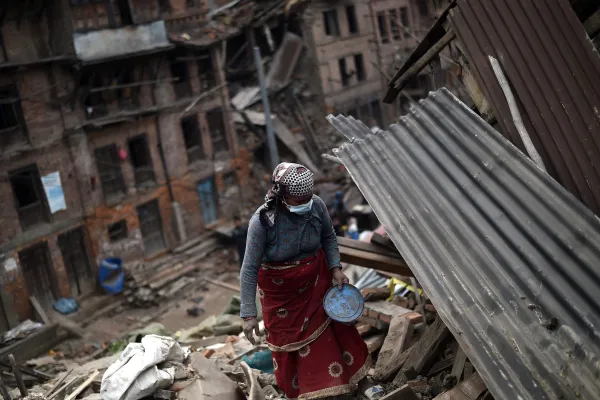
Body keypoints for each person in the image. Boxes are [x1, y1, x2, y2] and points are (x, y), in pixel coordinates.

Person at [240, 162, 370, 399]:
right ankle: (308, 393)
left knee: (334, 333)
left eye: (308, 198)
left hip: (316, 282)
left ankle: (345, 384)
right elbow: (249, 269)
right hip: (281, 297)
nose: (306, 204)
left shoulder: (316, 206)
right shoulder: (262, 222)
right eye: (299, 201)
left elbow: (329, 237)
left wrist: (335, 268)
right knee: (291, 345)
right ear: (281, 195)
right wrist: (248, 314)